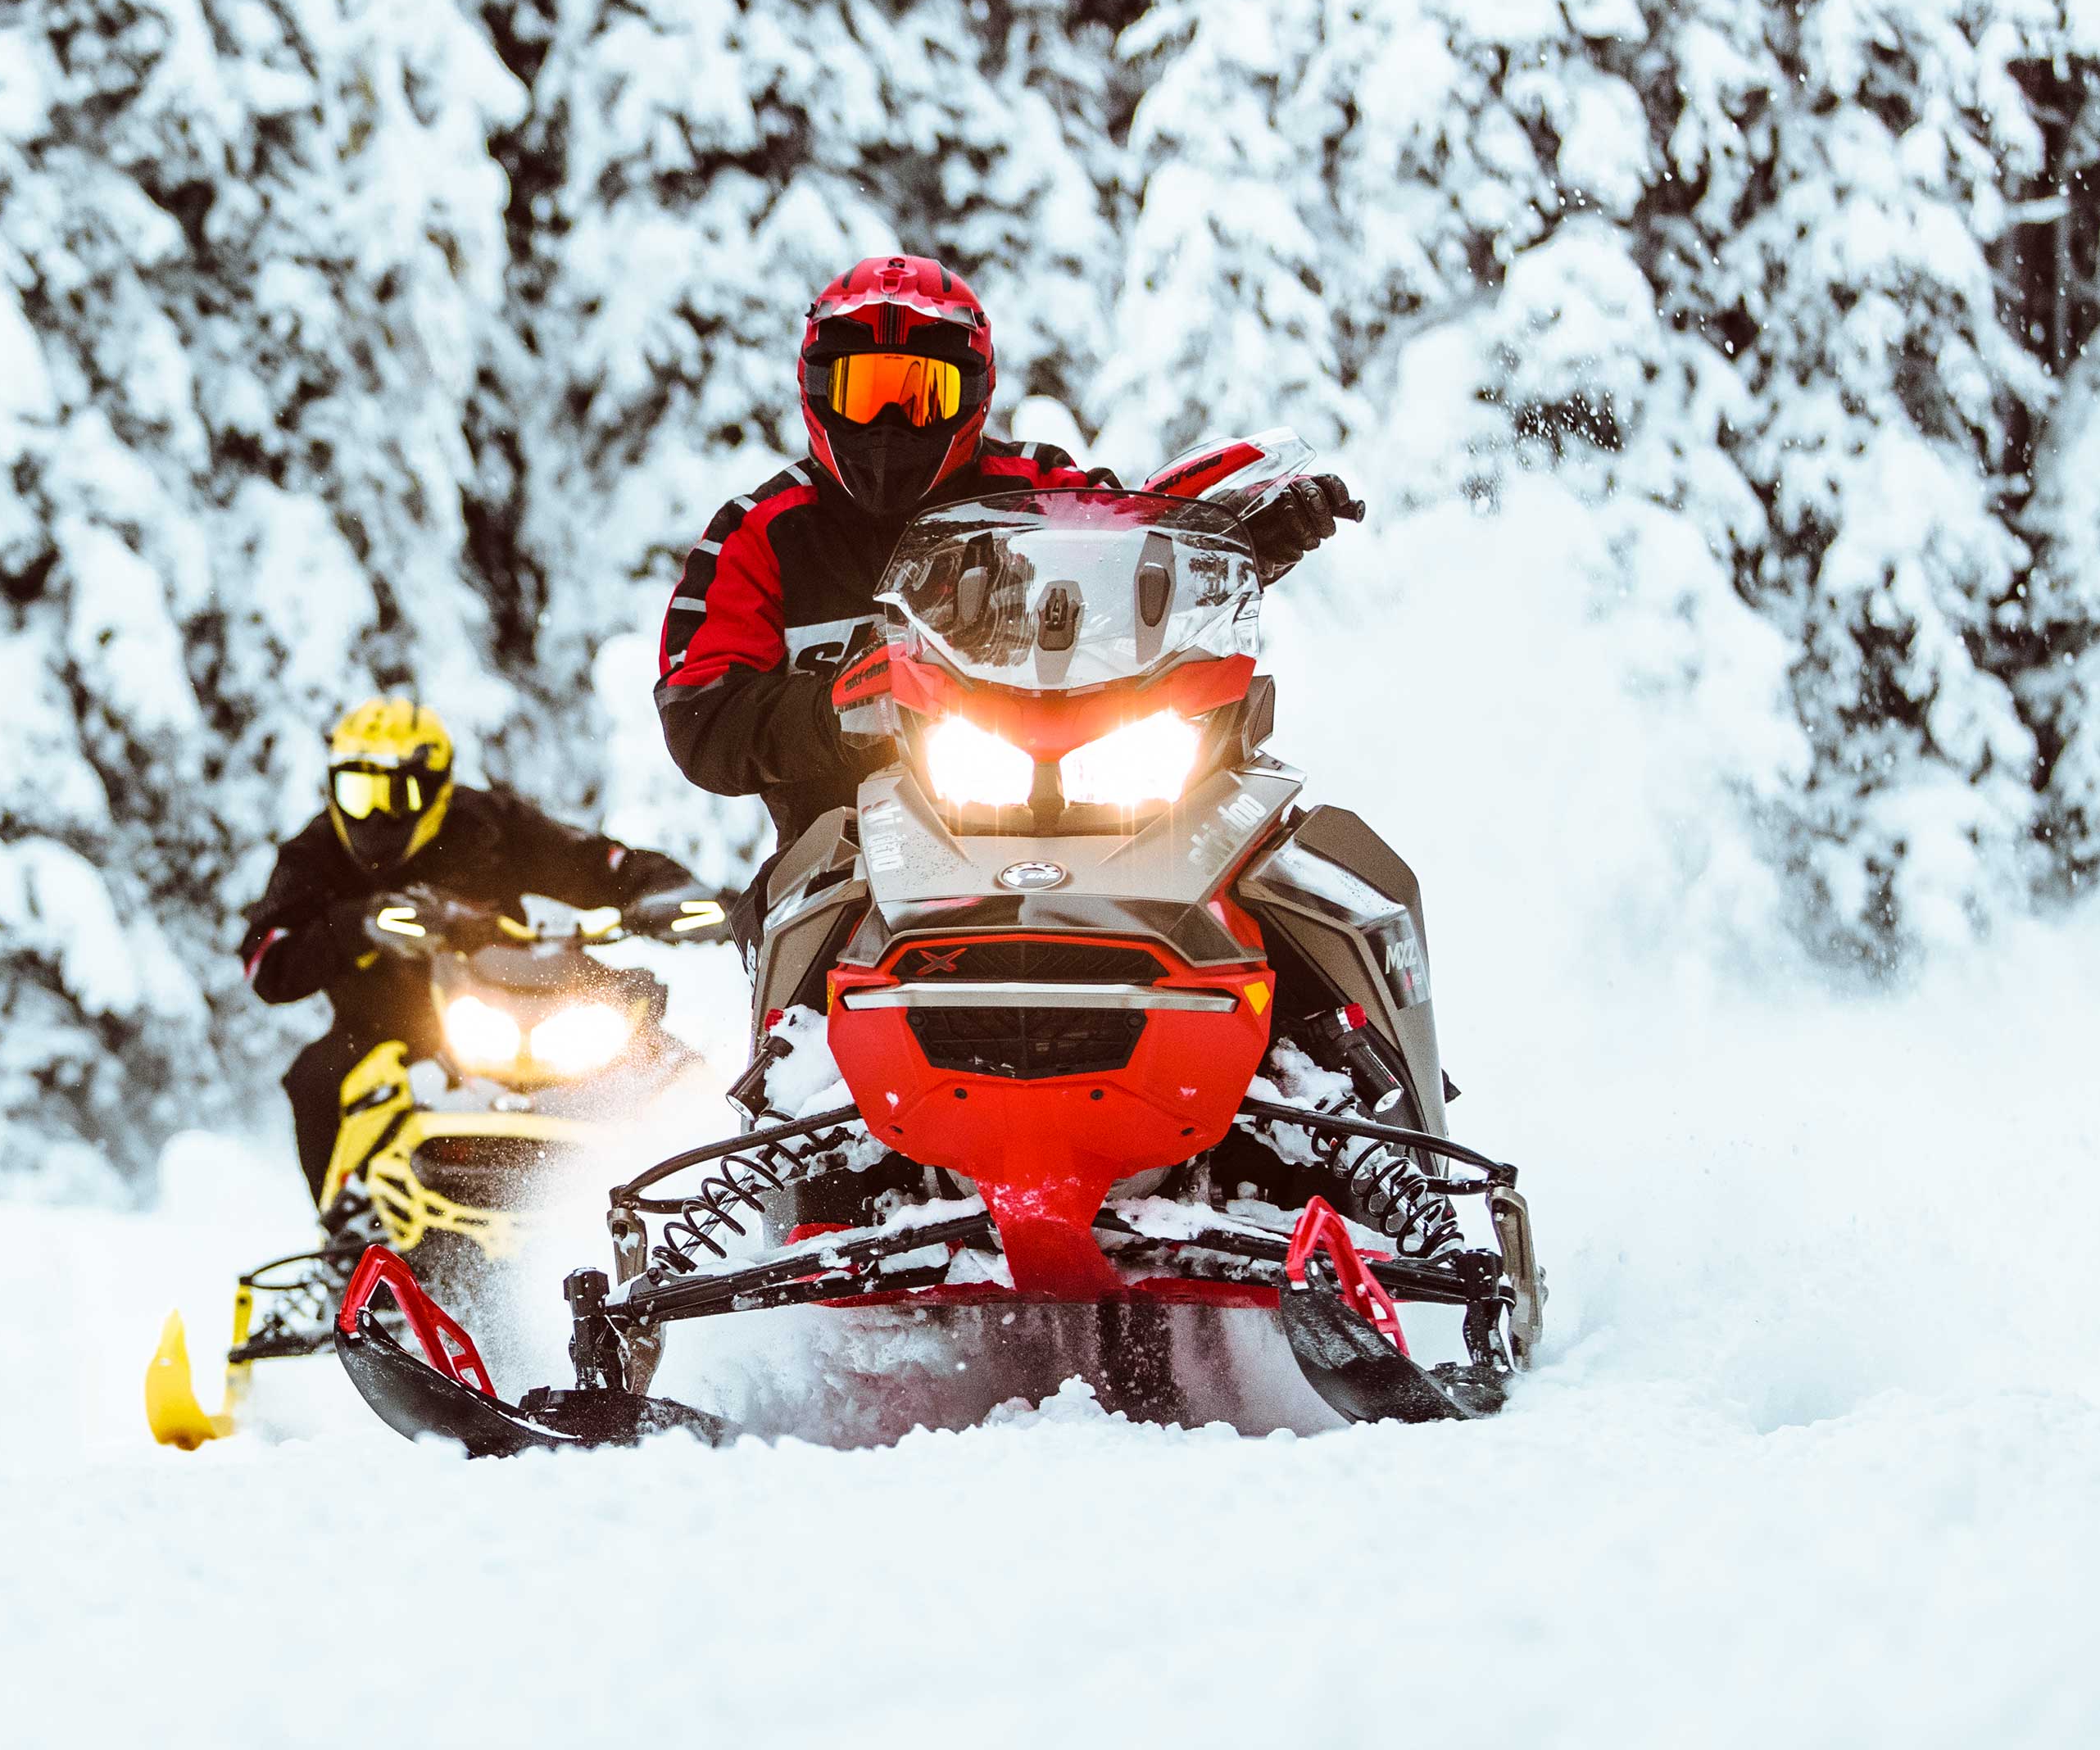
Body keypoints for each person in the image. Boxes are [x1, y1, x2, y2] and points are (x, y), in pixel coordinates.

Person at [653, 253, 1359, 872]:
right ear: (818, 394)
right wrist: (841, 707)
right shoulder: (760, 533)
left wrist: (1245, 545)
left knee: (1267, 879)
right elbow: (700, 716)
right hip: (847, 854)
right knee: (791, 964)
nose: (891, 425)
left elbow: (1146, 581)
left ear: (974, 394)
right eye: (864, 395)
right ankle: (795, 1032)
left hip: (1074, 824)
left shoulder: (1040, 491)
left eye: (923, 396)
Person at [240, 697, 707, 1210]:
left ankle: (711, 1193)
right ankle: (346, 1228)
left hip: (533, 1004)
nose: (374, 813)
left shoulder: (489, 825)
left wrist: (657, 889)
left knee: (660, 1056)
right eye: (357, 791)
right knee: (317, 1078)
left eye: (398, 794)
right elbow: (268, 964)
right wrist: (355, 924)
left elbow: (590, 858)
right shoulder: (316, 852)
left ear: (437, 788)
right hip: (392, 1028)